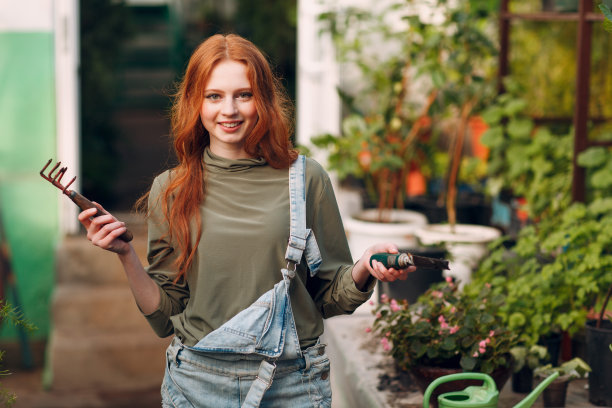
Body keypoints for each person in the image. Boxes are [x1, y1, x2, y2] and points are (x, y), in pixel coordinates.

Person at [78, 33, 416, 408]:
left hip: (292, 383)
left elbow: (328, 297)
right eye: (214, 96)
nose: (229, 110)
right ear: (195, 102)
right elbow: (166, 314)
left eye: (244, 94)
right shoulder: (170, 190)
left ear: (264, 100)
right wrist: (126, 255)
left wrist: (365, 267)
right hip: (195, 382)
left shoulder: (305, 179)